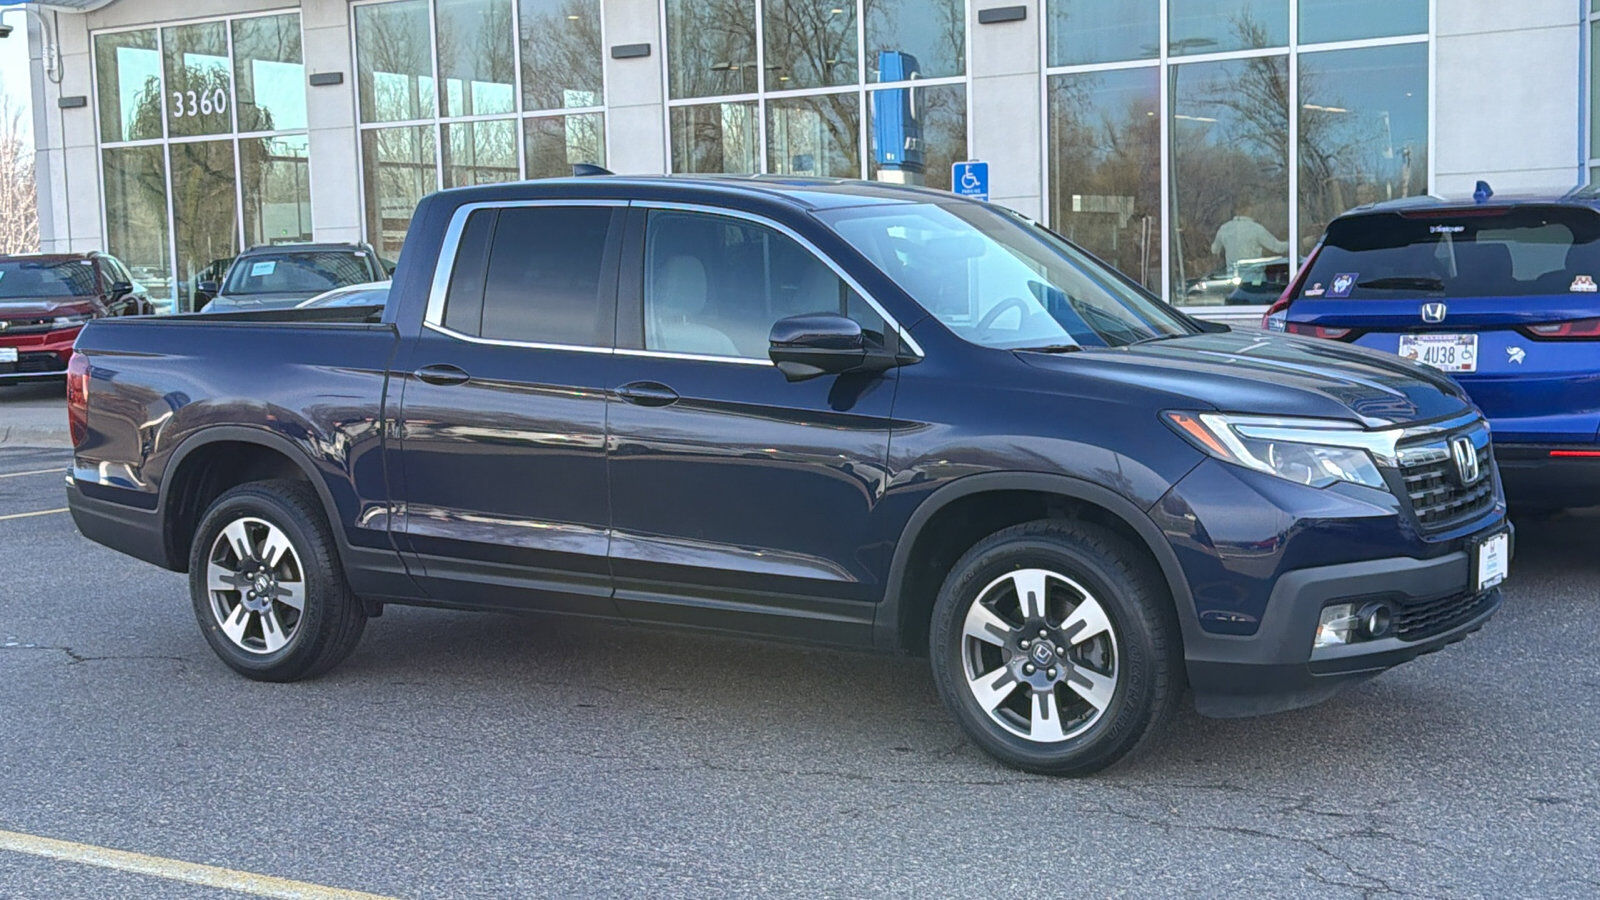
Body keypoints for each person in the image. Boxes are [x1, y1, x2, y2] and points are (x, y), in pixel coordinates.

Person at [1211, 204, 1289, 269]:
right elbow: (1277, 247)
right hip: (1253, 278)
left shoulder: (1224, 228)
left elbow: (1214, 250)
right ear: (1249, 210)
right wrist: (1292, 242)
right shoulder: (1256, 229)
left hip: (1232, 277)